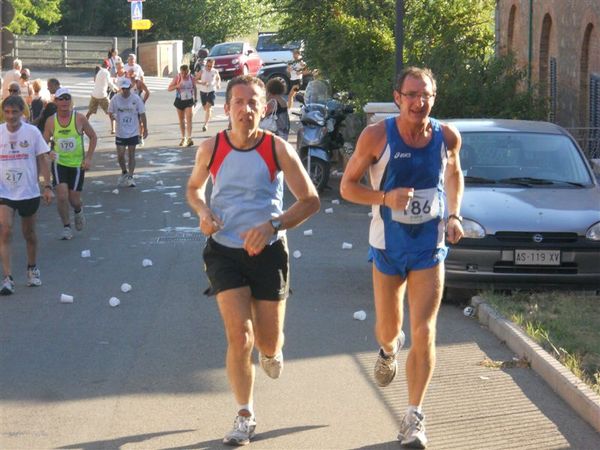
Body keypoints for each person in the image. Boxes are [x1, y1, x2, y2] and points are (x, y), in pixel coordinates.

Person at [186, 75, 320, 446]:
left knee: (266, 341)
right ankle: (245, 414)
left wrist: (273, 223)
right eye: (239, 102)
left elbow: (310, 200)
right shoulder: (212, 148)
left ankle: (274, 350)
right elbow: (195, 189)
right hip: (224, 250)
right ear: (227, 107)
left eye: (254, 102)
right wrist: (204, 212)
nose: (246, 109)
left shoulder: (277, 149)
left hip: (268, 253)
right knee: (240, 336)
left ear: (266, 107)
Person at [340, 66, 464, 449]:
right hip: (387, 246)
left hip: (429, 246)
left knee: (425, 329)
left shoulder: (446, 135)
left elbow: (454, 172)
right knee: (389, 329)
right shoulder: (377, 135)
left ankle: (414, 416)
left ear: (434, 97)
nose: (418, 102)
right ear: (397, 98)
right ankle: (388, 350)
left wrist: (455, 213)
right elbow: (347, 186)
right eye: (410, 94)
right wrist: (384, 198)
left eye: (425, 94)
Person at [0, 95, 54, 295]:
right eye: (7, 112)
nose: (11, 116)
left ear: (22, 112)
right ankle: (7, 278)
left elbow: (43, 160)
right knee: (5, 230)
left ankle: (32, 268)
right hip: (4, 191)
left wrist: (47, 186)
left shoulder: (31, 133)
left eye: (14, 112)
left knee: (28, 234)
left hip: (28, 191)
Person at [43, 88, 97, 241]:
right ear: (56, 102)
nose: (65, 102)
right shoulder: (51, 121)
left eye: (67, 98)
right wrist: (49, 152)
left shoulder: (79, 119)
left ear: (71, 101)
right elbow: (43, 143)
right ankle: (66, 227)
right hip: (60, 164)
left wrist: (88, 158)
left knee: (74, 199)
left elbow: (93, 137)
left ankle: (78, 210)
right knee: (62, 196)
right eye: (61, 99)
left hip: (77, 165)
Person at [108, 77, 148, 187]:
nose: (125, 91)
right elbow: (110, 112)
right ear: (120, 88)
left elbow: (142, 114)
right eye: (123, 89)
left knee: (131, 154)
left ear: (130, 88)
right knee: (120, 155)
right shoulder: (115, 99)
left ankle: (130, 176)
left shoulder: (136, 99)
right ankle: (124, 172)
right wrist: (113, 116)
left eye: (127, 88)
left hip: (133, 131)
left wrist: (145, 129)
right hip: (121, 132)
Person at [168, 64, 197, 147]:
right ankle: (183, 137)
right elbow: (169, 88)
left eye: (185, 73)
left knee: (189, 119)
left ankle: (189, 138)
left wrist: (195, 99)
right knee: (181, 120)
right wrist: (177, 86)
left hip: (189, 100)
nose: (184, 75)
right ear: (180, 72)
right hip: (179, 100)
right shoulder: (177, 78)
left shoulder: (191, 78)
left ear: (188, 72)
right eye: (182, 73)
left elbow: (195, 87)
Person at [86, 61, 117, 133]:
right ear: (108, 67)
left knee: (89, 112)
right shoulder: (106, 72)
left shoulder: (99, 72)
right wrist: (116, 89)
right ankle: (113, 129)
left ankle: (82, 126)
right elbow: (110, 83)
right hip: (102, 95)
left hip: (94, 95)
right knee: (111, 112)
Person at [195, 58, 221, 133]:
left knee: (208, 108)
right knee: (205, 108)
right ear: (206, 64)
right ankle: (209, 112)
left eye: (211, 66)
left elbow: (218, 78)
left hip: (212, 91)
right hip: (203, 91)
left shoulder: (215, 71)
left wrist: (218, 84)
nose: (209, 68)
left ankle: (205, 125)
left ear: (213, 65)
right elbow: (195, 80)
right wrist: (201, 83)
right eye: (208, 66)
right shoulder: (202, 71)